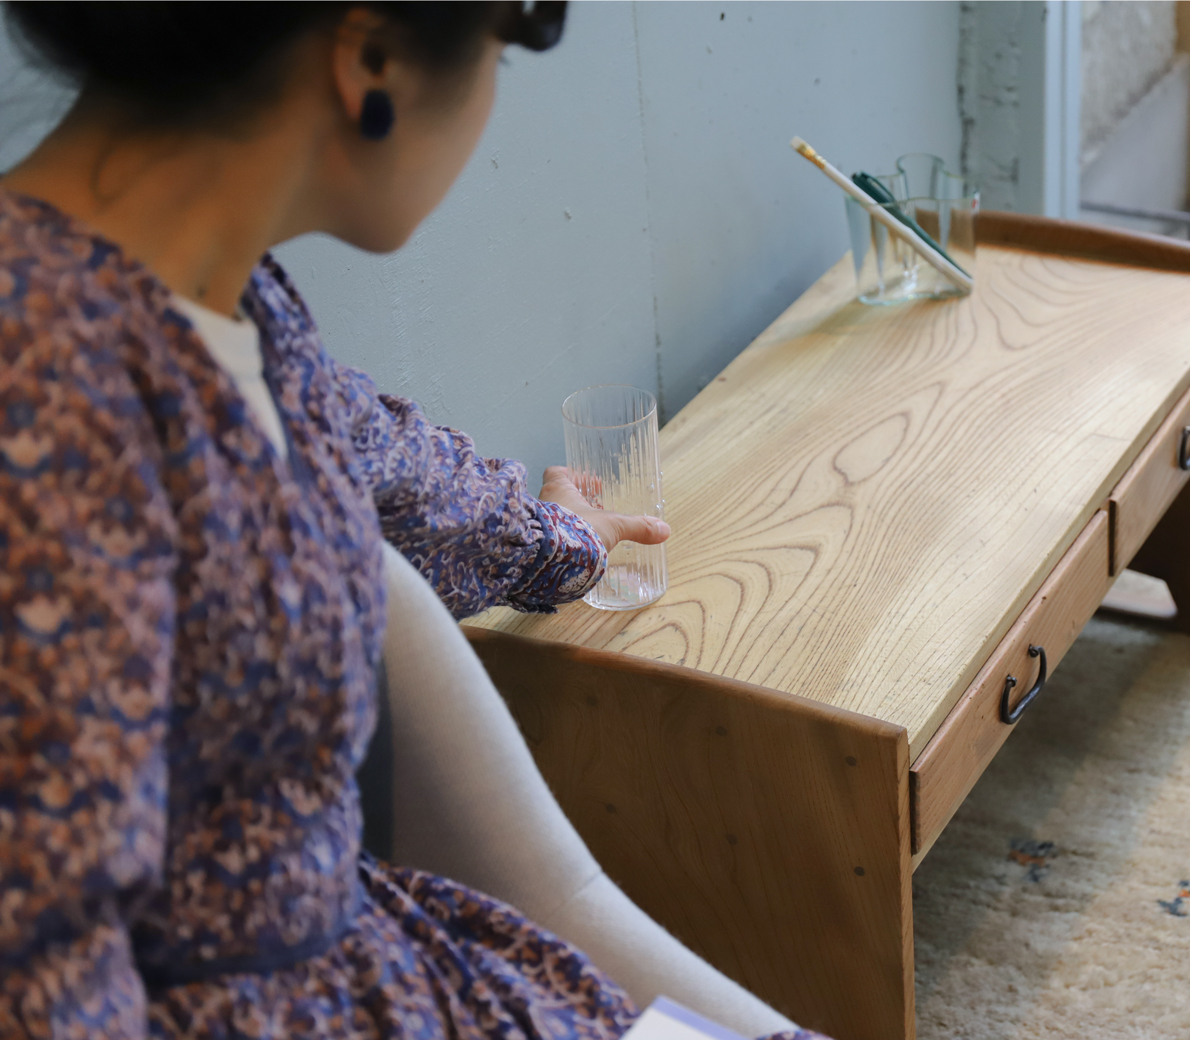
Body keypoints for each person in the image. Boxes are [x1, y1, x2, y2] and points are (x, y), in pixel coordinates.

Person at [0, 4, 827, 1038]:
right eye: (497, 54)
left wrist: (561, 541)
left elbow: (389, 471)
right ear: (372, 57)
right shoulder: (48, 401)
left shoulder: (222, 294)